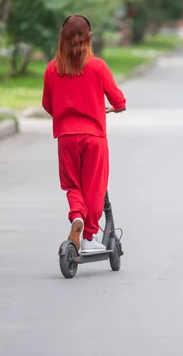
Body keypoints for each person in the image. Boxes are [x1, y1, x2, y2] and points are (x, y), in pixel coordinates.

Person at [42, 15, 126, 253]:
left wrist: (65, 116)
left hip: (67, 138)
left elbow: (47, 104)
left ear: (62, 38)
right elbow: (117, 98)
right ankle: (88, 237)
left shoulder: (52, 69)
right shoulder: (98, 66)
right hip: (94, 138)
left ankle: (77, 217)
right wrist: (118, 107)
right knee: (94, 188)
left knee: (73, 185)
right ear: (88, 37)